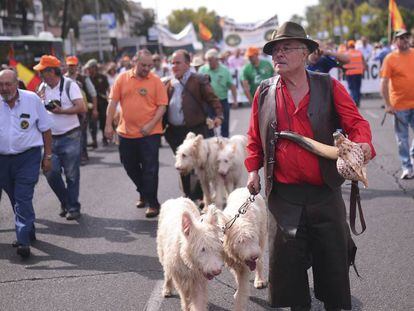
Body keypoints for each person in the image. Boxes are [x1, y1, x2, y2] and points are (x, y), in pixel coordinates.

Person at [245, 21, 375, 311]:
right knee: (288, 274)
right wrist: (253, 170)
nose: (278, 54)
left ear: (305, 53)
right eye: (275, 50)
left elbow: (357, 124)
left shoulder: (328, 86)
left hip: (324, 193)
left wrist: (363, 146)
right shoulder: (264, 92)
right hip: (284, 197)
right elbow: (254, 138)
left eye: (286, 48)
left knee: (332, 267)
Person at [105, 49, 168, 218]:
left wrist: (150, 125)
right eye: (143, 65)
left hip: (150, 133)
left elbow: (162, 106)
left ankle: (153, 203)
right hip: (126, 133)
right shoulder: (122, 78)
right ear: (135, 62)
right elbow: (112, 103)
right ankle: (144, 192)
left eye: (150, 65)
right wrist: (108, 126)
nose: (147, 68)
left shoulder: (156, 81)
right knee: (129, 165)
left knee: (150, 169)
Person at [0, 69, 52, 258]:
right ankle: (28, 230)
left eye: (8, 84)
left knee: (22, 197)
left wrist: (47, 157)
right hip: (3, 160)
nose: (4, 88)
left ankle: (23, 241)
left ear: (16, 84)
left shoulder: (32, 100)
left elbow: (46, 130)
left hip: (28, 157)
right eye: (1, 84)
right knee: (15, 199)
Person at [163, 49, 223, 202]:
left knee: (199, 164)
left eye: (177, 62)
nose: (174, 66)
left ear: (188, 64)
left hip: (196, 130)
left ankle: (202, 196)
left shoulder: (199, 79)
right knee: (183, 164)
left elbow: (213, 99)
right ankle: (188, 196)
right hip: (174, 131)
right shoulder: (168, 83)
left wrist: (218, 116)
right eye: (172, 63)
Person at [34, 55, 86, 220]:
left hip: (71, 136)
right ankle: (66, 202)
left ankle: (73, 207)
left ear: (51, 71)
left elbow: (81, 107)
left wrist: (61, 111)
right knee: (50, 172)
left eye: (43, 71)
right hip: (50, 139)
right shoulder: (42, 87)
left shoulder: (70, 85)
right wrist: (40, 101)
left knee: (71, 174)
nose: (41, 74)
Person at [380, 29, 414, 180]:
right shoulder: (390, 58)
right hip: (399, 105)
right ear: (395, 41)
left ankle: (412, 158)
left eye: (406, 37)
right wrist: (387, 104)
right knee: (402, 139)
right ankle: (407, 167)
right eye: (400, 38)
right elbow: (384, 82)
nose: (404, 40)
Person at [65, 56, 98, 165]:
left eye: (73, 65)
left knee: (82, 133)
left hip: (82, 111)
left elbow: (93, 94)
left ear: (77, 66)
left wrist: (94, 109)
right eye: (70, 65)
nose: (71, 67)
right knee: (70, 134)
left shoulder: (84, 78)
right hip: (69, 111)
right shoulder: (62, 79)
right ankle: (73, 155)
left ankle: (83, 154)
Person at [199, 48, 237, 137]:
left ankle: (225, 145)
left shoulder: (225, 70)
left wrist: (235, 100)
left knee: (225, 125)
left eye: (211, 60)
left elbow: (232, 86)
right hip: (208, 102)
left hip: (222, 100)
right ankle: (212, 146)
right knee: (209, 126)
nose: (209, 62)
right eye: (207, 60)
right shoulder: (202, 70)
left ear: (217, 59)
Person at [85, 59, 110, 147]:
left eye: (90, 68)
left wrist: (110, 98)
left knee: (103, 120)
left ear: (94, 68)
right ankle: (94, 140)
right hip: (91, 103)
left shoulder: (103, 77)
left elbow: (108, 89)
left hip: (103, 102)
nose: (88, 70)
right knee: (92, 123)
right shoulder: (87, 78)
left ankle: (104, 138)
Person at [343, 40, 365, 107]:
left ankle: (354, 101)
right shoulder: (359, 52)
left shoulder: (346, 53)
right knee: (358, 88)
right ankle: (357, 101)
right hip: (359, 72)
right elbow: (364, 62)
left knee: (352, 88)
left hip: (350, 73)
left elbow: (343, 63)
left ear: (348, 46)